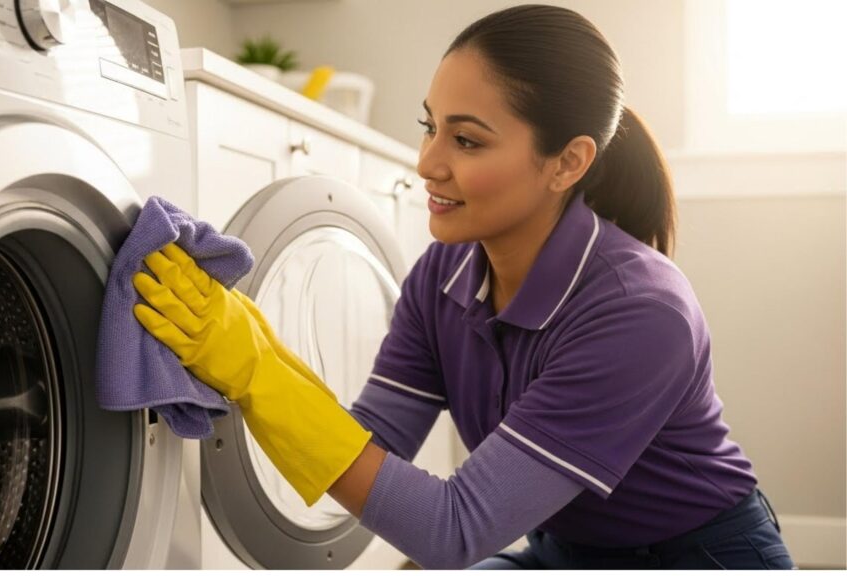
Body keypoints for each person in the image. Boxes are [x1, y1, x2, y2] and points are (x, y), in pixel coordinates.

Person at [130, 4, 794, 570]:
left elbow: (453, 531)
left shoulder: (641, 312)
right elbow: (374, 447)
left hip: (698, 559)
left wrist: (257, 372)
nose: (427, 162)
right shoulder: (443, 277)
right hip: (561, 551)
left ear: (567, 162)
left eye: (468, 141)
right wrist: (257, 354)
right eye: (430, 126)